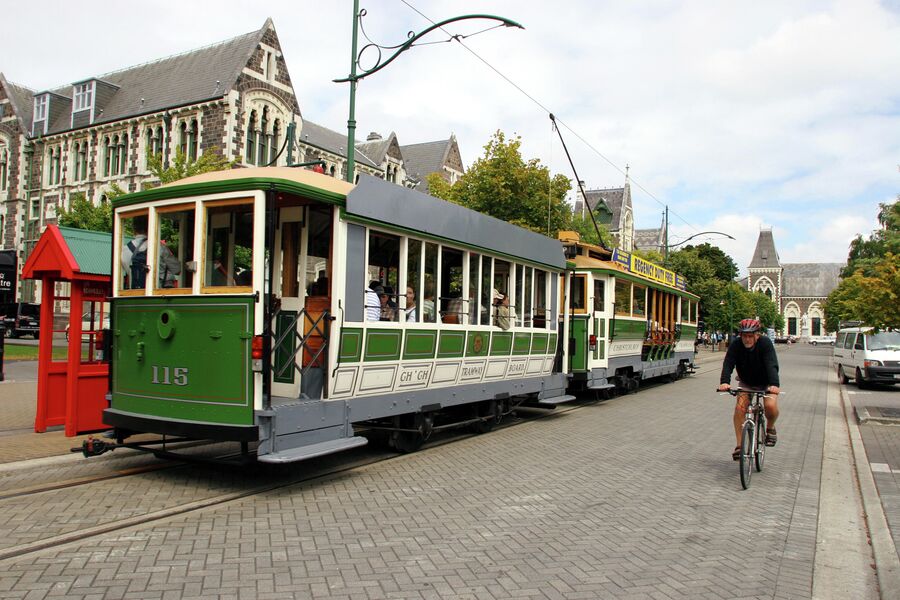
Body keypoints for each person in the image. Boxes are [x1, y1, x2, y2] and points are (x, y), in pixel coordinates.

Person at [717, 318, 781, 461]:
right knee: (740, 409)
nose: (747, 339)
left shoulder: (765, 344)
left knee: (770, 406)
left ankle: (770, 428)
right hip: (746, 382)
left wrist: (774, 385)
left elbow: (771, 364)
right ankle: (739, 446)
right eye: (744, 335)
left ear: (757, 335)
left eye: (750, 336)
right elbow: (728, 363)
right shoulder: (736, 345)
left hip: (766, 383)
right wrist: (724, 382)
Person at [121, 215, 181, 289]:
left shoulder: (124, 250)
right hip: (158, 293)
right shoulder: (159, 246)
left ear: (133, 229)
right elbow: (177, 269)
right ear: (150, 227)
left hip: (135, 293)